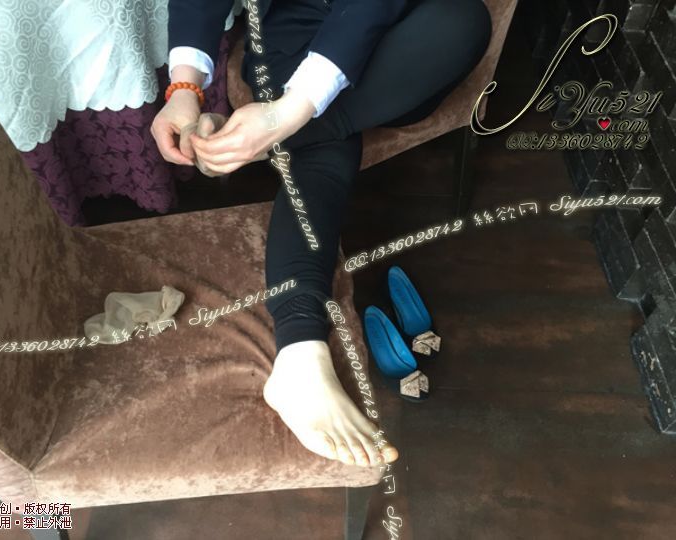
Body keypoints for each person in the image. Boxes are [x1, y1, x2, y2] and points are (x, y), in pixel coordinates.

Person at [151, 0, 492, 468]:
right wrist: (184, 88)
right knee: (325, 145)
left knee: (461, 21)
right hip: (292, 34)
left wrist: (287, 116)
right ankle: (299, 355)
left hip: (400, 36)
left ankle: (275, 141)